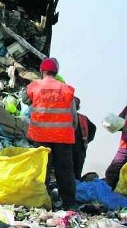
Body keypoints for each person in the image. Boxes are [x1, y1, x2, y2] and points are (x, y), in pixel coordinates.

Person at [24, 57, 78, 209]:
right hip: (63, 137)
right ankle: (69, 203)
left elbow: (25, 101)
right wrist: (70, 129)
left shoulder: (34, 87)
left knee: (42, 170)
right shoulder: (67, 89)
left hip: (41, 136)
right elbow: (74, 118)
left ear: (42, 71)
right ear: (56, 72)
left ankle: (41, 202)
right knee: (65, 170)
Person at [73, 97, 96, 180]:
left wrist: (86, 140)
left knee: (76, 172)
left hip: (79, 149)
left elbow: (93, 129)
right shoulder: (63, 116)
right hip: (65, 149)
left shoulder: (83, 118)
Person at [104, 104, 127, 189]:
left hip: (124, 147)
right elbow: (119, 122)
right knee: (112, 172)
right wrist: (111, 123)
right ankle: (107, 195)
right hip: (124, 147)